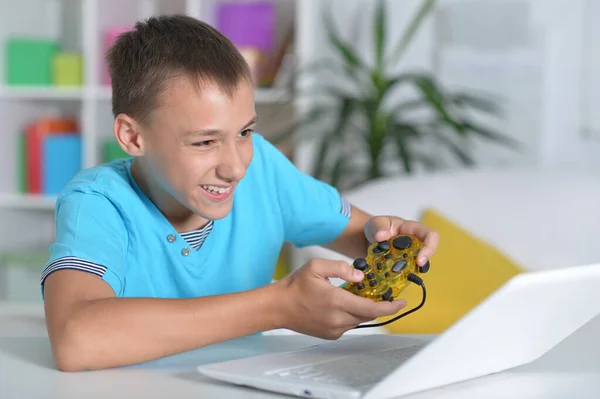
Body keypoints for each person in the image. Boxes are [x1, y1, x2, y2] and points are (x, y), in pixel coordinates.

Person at [41, 15, 439, 372]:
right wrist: (278, 305)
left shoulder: (263, 167)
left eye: (244, 132)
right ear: (132, 136)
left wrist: (385, 238)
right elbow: (77, 339)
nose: (235, 167)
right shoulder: (96, 203)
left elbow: (360, 234)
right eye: (204, 142)